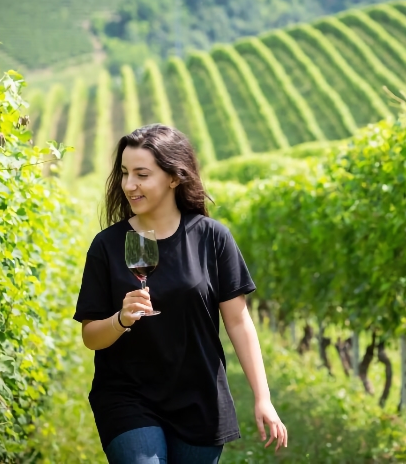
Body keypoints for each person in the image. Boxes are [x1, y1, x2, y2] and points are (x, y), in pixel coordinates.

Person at [74, 124, 287, 464]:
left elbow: (238, 322)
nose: (129, 185)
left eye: (142, 174)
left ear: (174, 177)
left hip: (198, 398)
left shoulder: (212, 238)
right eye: (125, 173)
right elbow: (90, 337)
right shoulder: (107, 245)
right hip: (127, 396)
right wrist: (120, 319)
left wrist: (263, 397)